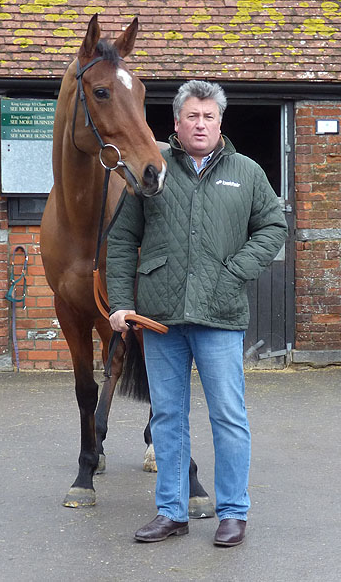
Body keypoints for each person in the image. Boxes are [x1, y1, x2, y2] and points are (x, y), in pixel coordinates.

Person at [106, 80, 288, 546]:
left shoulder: (246, 173)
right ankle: (172, 510)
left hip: (220, 315)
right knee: (167, 416)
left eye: (208, 116)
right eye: (192, 116)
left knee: (228, 415)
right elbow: (123, 238)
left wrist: (235, 272)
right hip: (161, 317)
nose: (200, 124)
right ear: (177, 123)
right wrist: (122, 302)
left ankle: (233, 512)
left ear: (220, 122)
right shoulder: (153, 170)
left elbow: (272, 226)